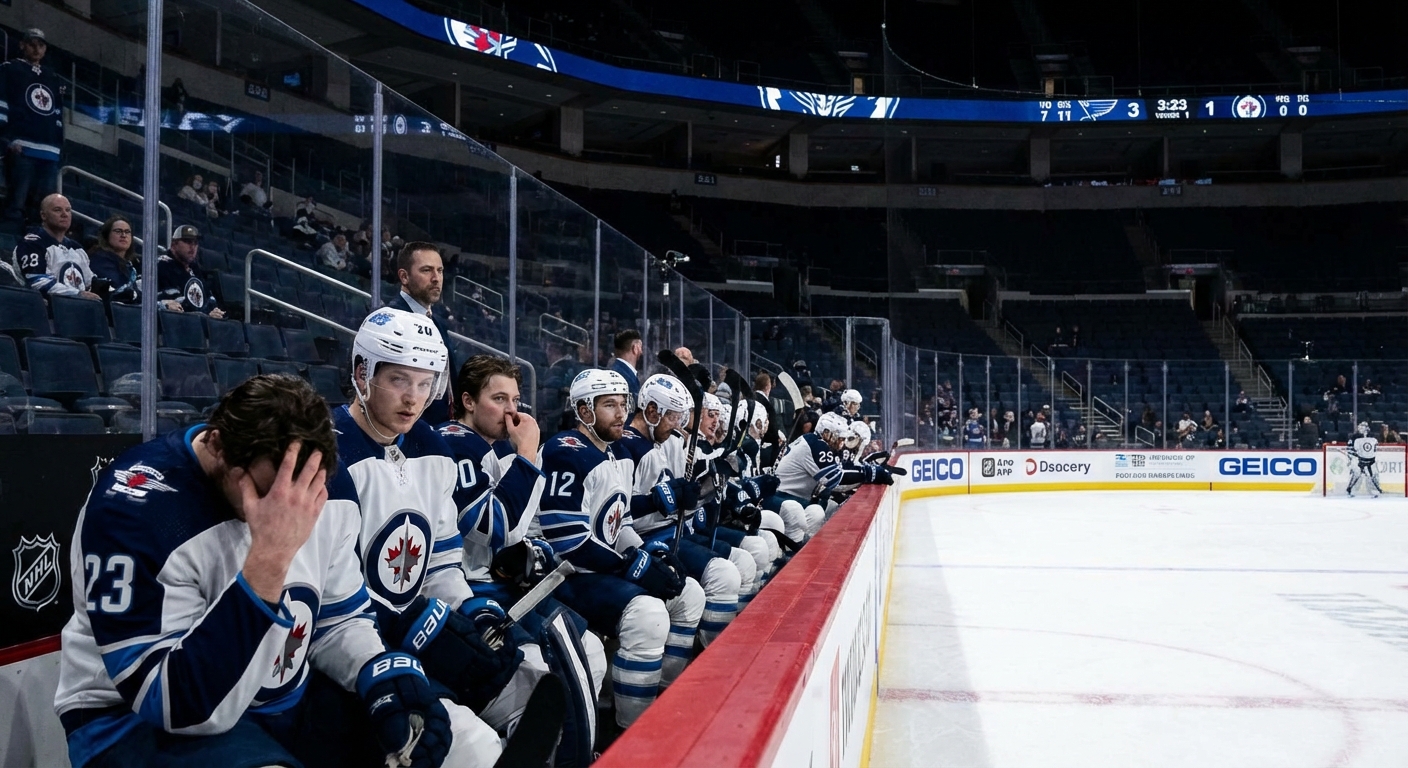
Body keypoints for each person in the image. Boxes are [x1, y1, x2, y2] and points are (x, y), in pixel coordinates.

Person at [53, 375, 464, 768]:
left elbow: (338, 618)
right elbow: (175, 702)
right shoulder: (136, 513)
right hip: (132, 720)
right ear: (217, 445)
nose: (288, 507)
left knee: (441, 736)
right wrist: (270, 557)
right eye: (266, 491)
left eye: (305, 489)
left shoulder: (316, 480)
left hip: (279, 696)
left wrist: (373, 669)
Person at [337, 309, 565, 761]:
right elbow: (328, 595)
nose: (413, 399)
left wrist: (467, 608)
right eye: (400, 381)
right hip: (352, 636)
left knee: (529, 689)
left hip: (413, 619)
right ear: (362, 371)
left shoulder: (430, 447)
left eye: (425, 384)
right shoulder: (330, 449)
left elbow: (441, 562)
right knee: (472, 746)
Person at [437, 355, 605, 764]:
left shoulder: (490, 450)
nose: (513, 411)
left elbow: (518, 530)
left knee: (591, 651)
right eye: (499, 398)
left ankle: (568, 752)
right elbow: (493, 526)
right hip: (465, 591)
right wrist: (528, 453)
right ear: (468, 401)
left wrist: (533, 549)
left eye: (515, 399)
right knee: (540, 675)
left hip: (496, 584)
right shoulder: (455, 442)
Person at [539, 369, 698, 728]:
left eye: (623, 404)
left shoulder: (617, 455)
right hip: (560, 574)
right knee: (647, 614)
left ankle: (663, 696)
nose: (621, 413)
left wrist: (647, 553)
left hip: (597, 568)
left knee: (684, 594)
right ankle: (630, 730)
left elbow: (621, 522)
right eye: (609, 405)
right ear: (583, 410)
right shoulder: (566, 452)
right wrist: (631, 564)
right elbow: (570, 541)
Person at [617, 373, 745, 649]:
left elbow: (688, 492)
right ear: (652, 411)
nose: (678, 426)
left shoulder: (667, 441)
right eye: (673, 417)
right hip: (644, 539)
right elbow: (615, 513)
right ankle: (697, 664)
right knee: (718, 578)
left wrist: (708, 482)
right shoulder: (626, 447)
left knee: (737, 566)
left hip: (670, 532)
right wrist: (655, 501)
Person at [1, 29, 64, 229]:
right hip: (22, 146)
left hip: (50, 152)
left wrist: (59, 147)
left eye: (41, 45)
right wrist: (6, 140)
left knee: (44, 208)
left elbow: (57, 115)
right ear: (22, 45)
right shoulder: (9, 69)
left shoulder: (52, 77)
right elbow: (2, 103)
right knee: (16, 203)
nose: (36, 49)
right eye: (32, 44)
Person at [389, 241, 457, 424]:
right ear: (404, 277)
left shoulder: (437, 323)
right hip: (412, 429)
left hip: (439, 426)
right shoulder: (392, 322)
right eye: (427, 270)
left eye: (440, 271)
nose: (436, 278)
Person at [12, 193, 98, 300]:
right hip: (42, 311)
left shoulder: (77, 248)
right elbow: (37, 282)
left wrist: (112, 292)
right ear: (43, 215)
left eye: (68, 210)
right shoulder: (31, 244)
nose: (64, 214)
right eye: (58, 210)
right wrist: (78, 294)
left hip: (76, 310)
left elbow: (91, 281)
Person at [157, 224, 225, 317]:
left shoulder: (195, 268)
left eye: (195, 243)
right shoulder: (162, 266)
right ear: (174, 244)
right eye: (187, 242)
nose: (192, 247)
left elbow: (207, 299)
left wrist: (213, 312)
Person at [88, 214, 140, 304]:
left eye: (127, 232)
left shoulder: (129, 265)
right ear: (107, 236)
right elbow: (119, 290)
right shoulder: (99, 260)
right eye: (118, 231)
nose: (123, 235)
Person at [1345, 421, 1381, 498]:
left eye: (1364, 426)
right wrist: (1353, 457)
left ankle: (1373, 490)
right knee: (1357, 473)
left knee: (1373, 473)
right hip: (1357, 459)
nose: (1362, 428)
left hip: (1370, 460)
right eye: (1361, 426)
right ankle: (1351, 490)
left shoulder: (1372, 437)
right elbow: (1349, 449)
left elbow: (1374, 449)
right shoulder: (1354, 437)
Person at [609, 329, 643, 396]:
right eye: (640, 348)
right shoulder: (624, 376)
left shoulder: (615, 370)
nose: (641, 352)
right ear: (635, 348)